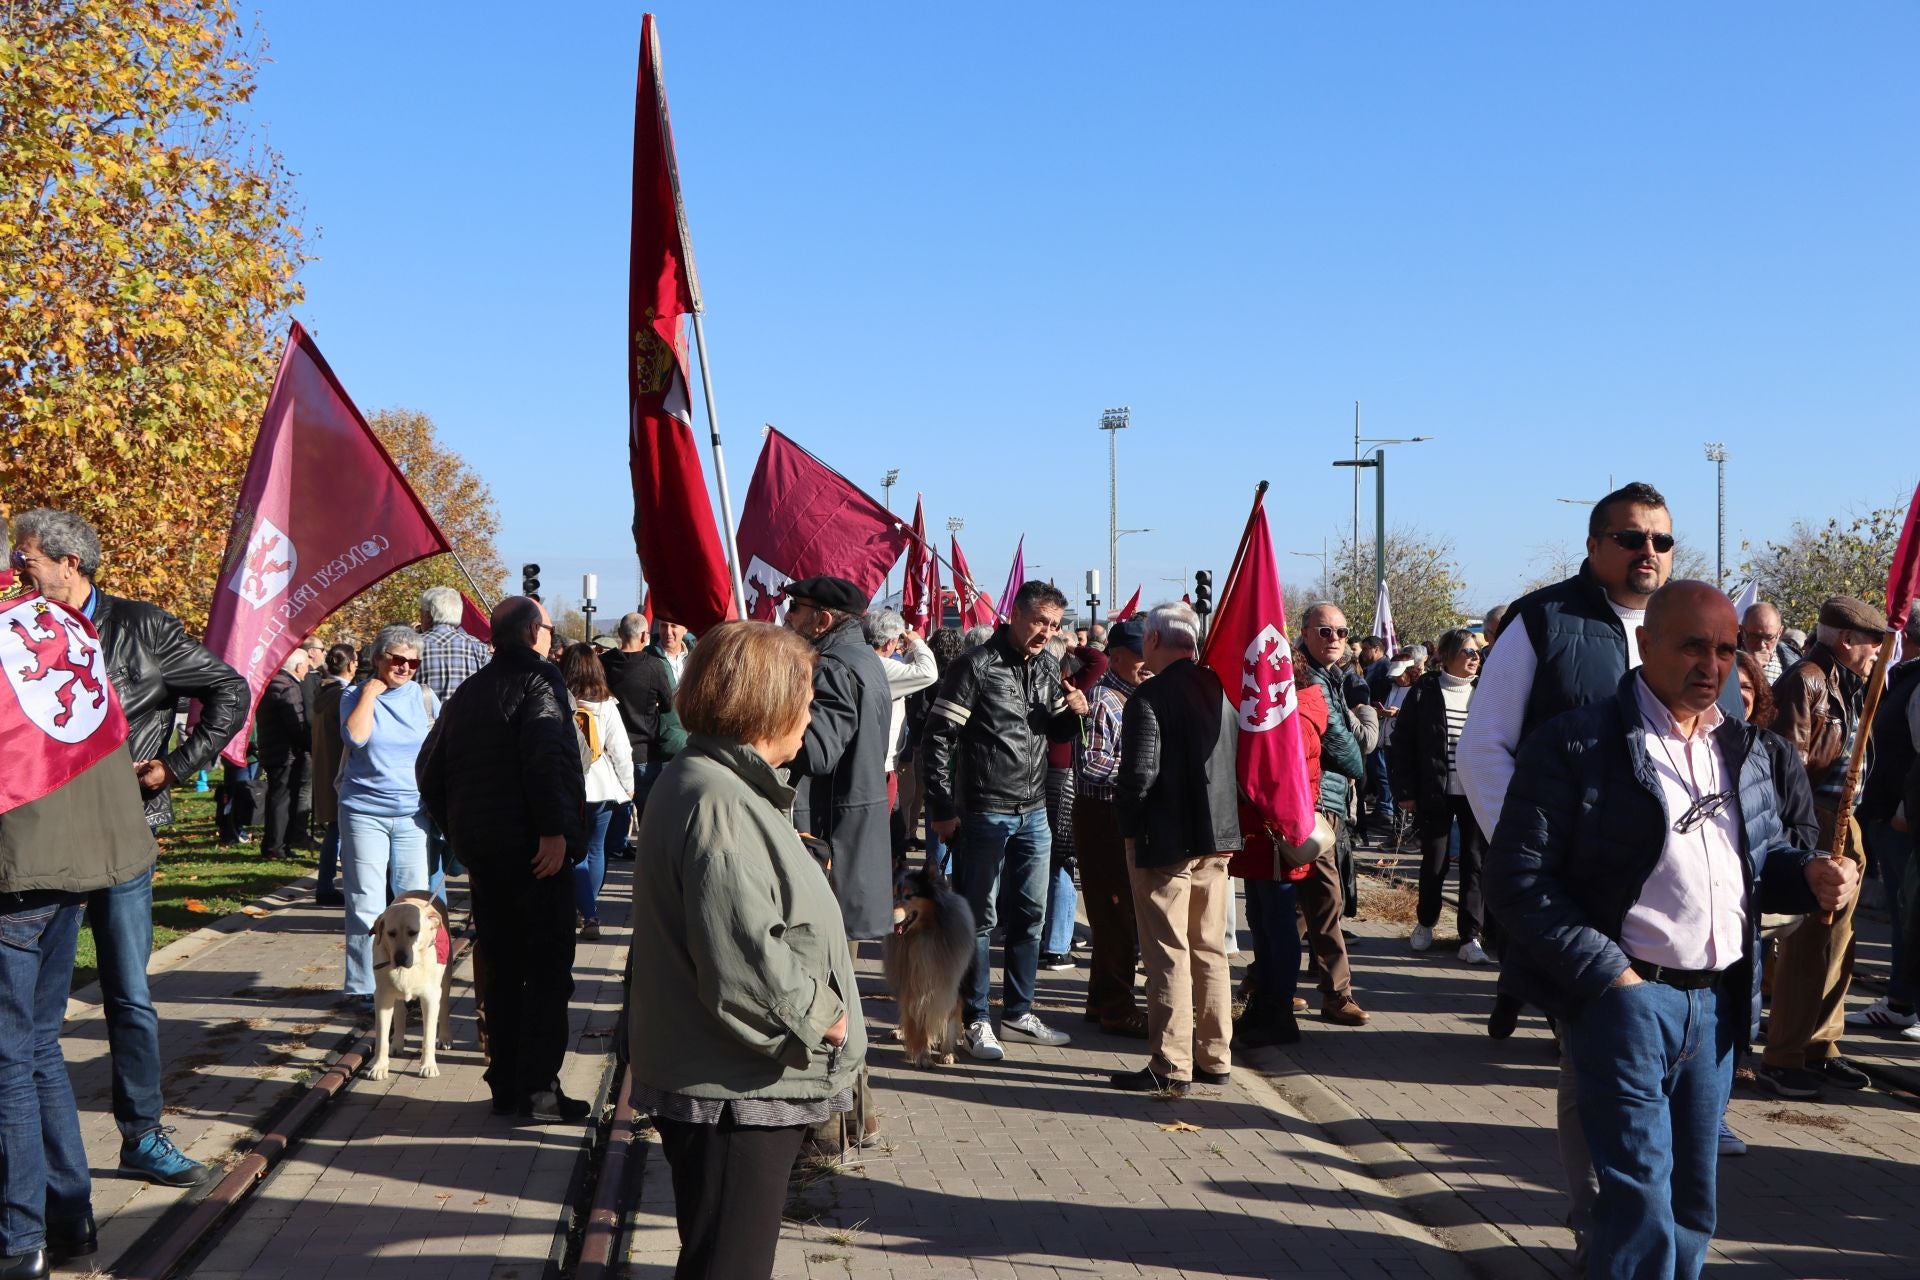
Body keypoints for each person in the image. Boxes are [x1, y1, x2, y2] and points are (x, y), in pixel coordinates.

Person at [1485, 581, 1854, 1279]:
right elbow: (1517, 881)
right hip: (1626, 1001)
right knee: (1637, 1202)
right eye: (1693, 645)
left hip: (1716, 1009)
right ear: (1646, 644)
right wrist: (1609, 976)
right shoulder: (1576, 742)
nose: (1711, 665)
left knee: (1692, 1205)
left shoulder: (1745, 749)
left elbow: (1762, 862)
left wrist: (1807, 874)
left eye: (1726, 648)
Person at [1454, 480, 1689, 1255]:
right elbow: (1484, 747)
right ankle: (1602, 1231)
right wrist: (1529, 857)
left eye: (1660, 540)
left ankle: (1653, 1232)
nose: (1647, 553)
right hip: (1577, 897)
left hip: (1672, 900)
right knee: (1591, 1056)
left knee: (1665, 1068)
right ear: (1594, 546)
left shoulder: (1686, 623)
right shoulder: (1544, 621)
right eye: (1630, 538)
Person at [10, 507, 247, 1188]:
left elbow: (228, 689)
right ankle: (44, 1161)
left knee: (128, 992)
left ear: (68, 565)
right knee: (35, 1012)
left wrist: (174, 765)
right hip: (44, 842)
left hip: (120, 833)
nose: (14, 568)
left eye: (24, 558)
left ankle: (142, 1135)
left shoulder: (143, 627)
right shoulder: (18, 630)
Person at [626, 622, 865, 1280]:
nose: (812, 713)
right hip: (735, 1085)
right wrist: (820, 1015)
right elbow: (740, 949)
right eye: (807, 698)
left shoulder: (718, 785)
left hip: (731, 1076)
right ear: (768, 703)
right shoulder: (720, 801)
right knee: (729, 1263)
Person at [0, 685, 162, 1275]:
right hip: (68, 868)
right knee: (37, 1046)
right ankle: (70, 1221)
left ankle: (22, 1239)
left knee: (11, 1061)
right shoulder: (65, 640)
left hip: (18, 870)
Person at [421, 596, 587, 1119]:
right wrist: (553, 831)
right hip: (536, 854)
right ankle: (539, 1089)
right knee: (545, 971)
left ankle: (508, 1085)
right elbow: (545, 755)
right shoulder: (541, 681)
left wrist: (463, 834)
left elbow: (429, 770)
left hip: (488, 855)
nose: (551, 637)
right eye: (548, 628)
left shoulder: (469, 691)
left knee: (502, 967)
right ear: (534, 633)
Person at [923, 580, 1089, 1060]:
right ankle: (976, 1018)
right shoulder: (975, 666)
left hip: (1034, 810)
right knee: (979, 918)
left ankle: (1018, 1012)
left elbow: (1055, 727)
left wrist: (1075, 713)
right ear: (1015, 614)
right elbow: (937, 738)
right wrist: (941, 809)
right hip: (983, 810)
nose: (1046, 632)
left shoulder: (1047, 666)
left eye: (1055, 625)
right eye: (1039, 621)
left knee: (1031, 916)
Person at [1758, 595, 1889, 1098]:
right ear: (1847, 640)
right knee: (1809, 943)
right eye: (1872, 643)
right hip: (1817, 818)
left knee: (1840, 943)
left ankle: (1821, 1045)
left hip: (1846, 817)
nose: (1879, 652)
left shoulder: (1853, 683)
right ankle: (1784, 1054)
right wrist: (1801, 834)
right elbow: (1787, 762)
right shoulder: (1808, 679)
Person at [1109, 603, 1241, 1094]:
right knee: (1210, 948)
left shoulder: (1149, 696)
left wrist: (1126, 821)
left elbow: (1139, 775)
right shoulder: (1220, 689)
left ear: (1154, 642)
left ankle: (1171, 1064)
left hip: (1165, 840)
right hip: (1216, 838)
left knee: (1168, 951)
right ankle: (1215, 1055)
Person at [782, 577, 894, 943]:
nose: (787, 617)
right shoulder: (863, 659)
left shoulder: (832, 666)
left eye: (795, 609)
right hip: (845, 835)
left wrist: (766, 722)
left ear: (822, 621)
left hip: (828, 841)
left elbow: (817, 752)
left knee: (825, 975)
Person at [336, 625, 438, 1005]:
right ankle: (366, 986)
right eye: (397, 659)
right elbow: (356, 738)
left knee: (413, 905)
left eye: (413, 662)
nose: (406, 667)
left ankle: (414, 980)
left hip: (413, 813)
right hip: (364, 810)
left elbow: (440, 747)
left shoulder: (425, 698)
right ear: (378, 658)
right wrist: (369, 694)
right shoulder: (353, 695)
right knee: (366, 899)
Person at [1390, 629, 1492, 962]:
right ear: (1446, 657)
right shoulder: (1426, 691)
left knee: (1475, 863)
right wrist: (1404, 791)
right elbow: (1402, 743)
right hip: (1436, 791)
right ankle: (1426, 922)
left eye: (1477, 652)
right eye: (1467, 652)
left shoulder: (1486, 692)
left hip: (1475, 792)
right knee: (1434, 860)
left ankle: (1470, 937)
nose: (1474, 658)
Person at [1294, 602, 1370, 1025]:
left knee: (1305, 907)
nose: (1336, 639)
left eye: (1342, 632)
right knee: (1326, 899)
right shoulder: (1308, 680)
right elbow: (1348, 750)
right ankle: (1337, 995)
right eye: (1325, 631)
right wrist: (1359, 760)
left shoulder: (1332, 677)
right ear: (1305, 632)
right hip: (1314, 801)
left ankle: (1266, 981)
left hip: (1328, 801)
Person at [1075, 618, 1149, 1037]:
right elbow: (1093, 766)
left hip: (1116, 813)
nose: (1147, 662)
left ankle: (1099, 1000)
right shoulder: (1105, 700)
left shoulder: (1134, 695)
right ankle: (1118, 1008)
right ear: (1116, 657)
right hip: (1102, 814)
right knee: (1115, 913)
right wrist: (1145, 770)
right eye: (1140, 655)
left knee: (1114, 913)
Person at [1848, 613, 1920, 1032]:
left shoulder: (1915, 682)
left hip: (1902, 820)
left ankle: (1901, 1001)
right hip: (1890, 812)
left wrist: (1903, 813)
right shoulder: (1904, 679)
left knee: (1907, 912)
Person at [417, 585, 492, 893]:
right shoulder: (477, 649)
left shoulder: (414, 648)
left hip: (425, 747)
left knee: (428, 826)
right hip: (469, 747)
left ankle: (435, 902)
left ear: (427, 614)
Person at [601, 614, 691, 861]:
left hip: (610, 751)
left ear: (620, 634)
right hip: (644, 749)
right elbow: (667, 705)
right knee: (648, 808)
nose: (668, 632)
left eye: (674, 626)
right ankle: (650, 853)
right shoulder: (653, 665)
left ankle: (616, 845)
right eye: (663, 626)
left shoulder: (604, 663)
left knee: (619, 806)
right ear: (644, 635)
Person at [560, 643, 633, 941]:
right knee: (596, 848)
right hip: (602, 785)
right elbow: (620, 750)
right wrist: (628, 787)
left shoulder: (560, 699)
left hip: (570, 784)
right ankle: (589, 908)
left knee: (576, 853)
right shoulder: (606, 705)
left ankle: (585, 910)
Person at [863, 609, 938, 862]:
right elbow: (928, 672)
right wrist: (916, 641)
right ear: (889, 643)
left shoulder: (868, 662)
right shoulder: (881, 666)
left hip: (875, 762)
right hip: (882, 767)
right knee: (887, 839)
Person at [904, 627, 968, 873]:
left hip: (928, 747)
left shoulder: (927, 679)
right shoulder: (961, 677)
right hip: (956, 749)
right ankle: (946, 865)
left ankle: (938, 867)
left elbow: (917, 714)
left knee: (935, 803)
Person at [310, 643, 357, 907]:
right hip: (339, 768)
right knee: (340, 830)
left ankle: (325, 884)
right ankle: (327, 886)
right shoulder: (342, 695)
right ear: (351, 664)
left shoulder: (324, 691)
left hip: (326, 766)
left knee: (335, 829)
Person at [258, 649, 312, 860]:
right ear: (298, 667)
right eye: (306, 665)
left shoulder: (275, 683)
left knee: (278, 798)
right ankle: (276, 846)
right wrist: (310, 743)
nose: (308, 670)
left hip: (274, 749)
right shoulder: (288, 687)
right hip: (284, 753)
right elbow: (296, 724)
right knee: (281, 800)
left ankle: (277, 844)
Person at [1740, 601, 1790, 684]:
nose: (1761, 645)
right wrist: (1750, 668)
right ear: (1742, 631)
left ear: (1780, 632)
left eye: (1768, 637)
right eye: (1754, 636)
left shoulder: (1791, 665)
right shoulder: (1725, 660)